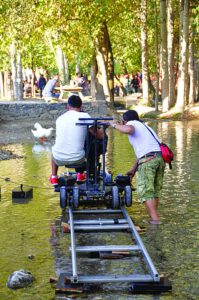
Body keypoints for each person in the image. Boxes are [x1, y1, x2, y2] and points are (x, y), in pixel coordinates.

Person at [109, 110, 165, 224]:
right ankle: (154, 218)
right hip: (159, 159)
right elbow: (146, 152)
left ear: (125, 121)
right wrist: (133, 169)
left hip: (148, 161)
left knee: (146, 192)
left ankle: (155, 221)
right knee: (153, 191)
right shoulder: (145, 127)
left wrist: (114, 124)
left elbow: (129, 129)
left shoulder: (133, 124)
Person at [49, 95, 103, 185]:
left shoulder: (60, 118)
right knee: (85, 146)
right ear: (81, 106)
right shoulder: (84, 116)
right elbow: (99, 136)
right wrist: (104, 127)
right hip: (78, 158)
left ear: (67, 106)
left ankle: (54, 177)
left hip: (59, 158)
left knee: (54, 151)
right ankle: (80, 174)